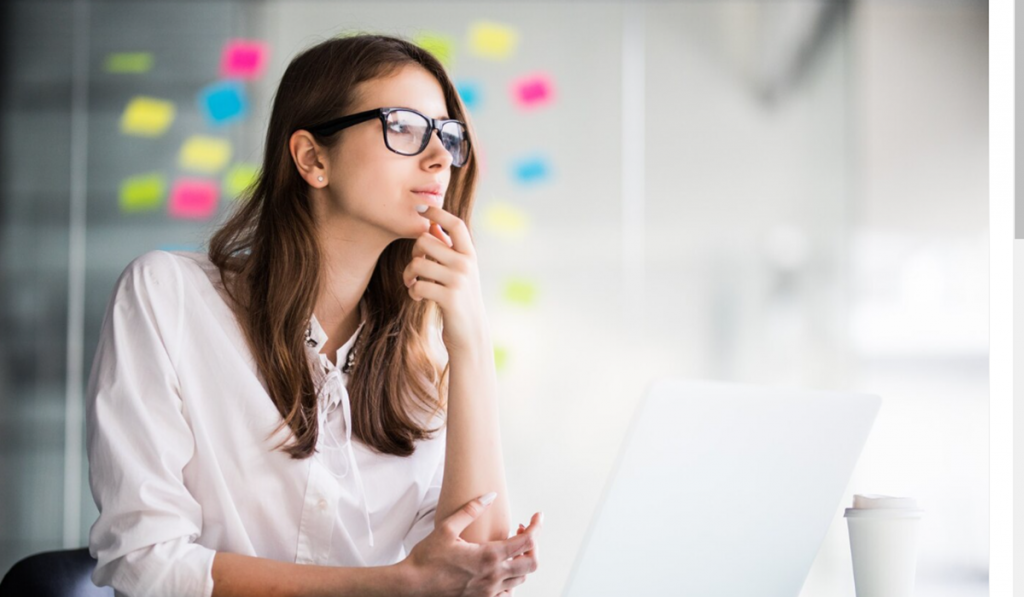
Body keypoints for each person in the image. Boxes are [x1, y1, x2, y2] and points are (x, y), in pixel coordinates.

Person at [85, 33, 542, 597]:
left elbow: (478, 574)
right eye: (402, 126)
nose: (438, 157)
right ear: (312, 158)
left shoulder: (422, 364)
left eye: (448, 136)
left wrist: (469, 341)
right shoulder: (167, 298)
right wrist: (393, 585)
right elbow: (144, 562)